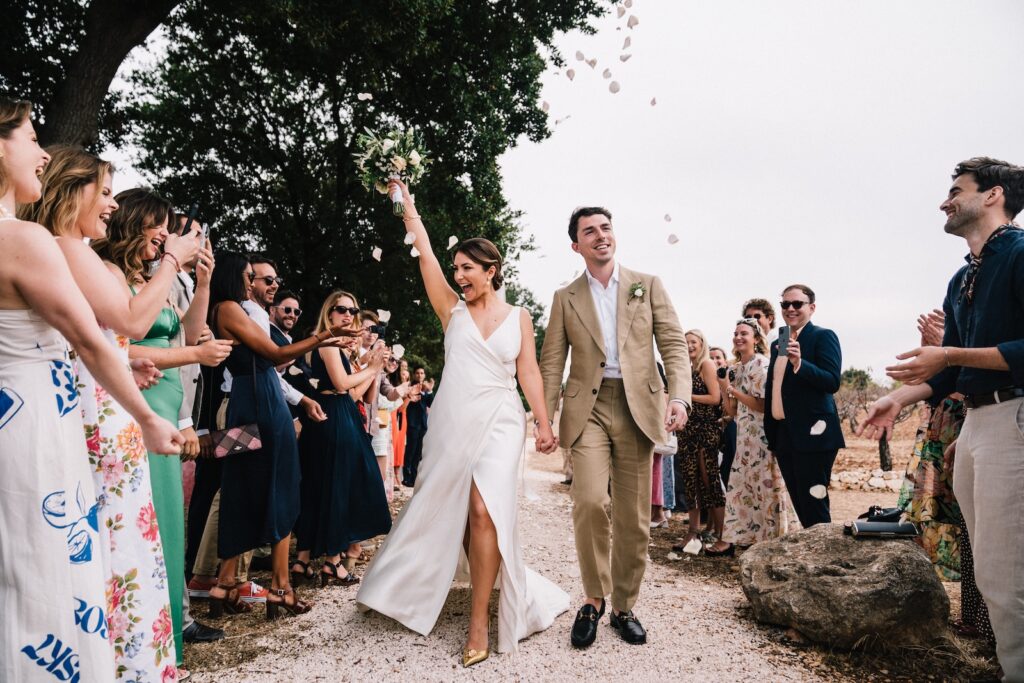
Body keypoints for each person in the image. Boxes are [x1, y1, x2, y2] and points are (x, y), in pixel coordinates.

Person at [0, 96, 182, 683]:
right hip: (39, 430)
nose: (42, 152)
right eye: (30, 137)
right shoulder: (27, 241)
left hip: (17, 416)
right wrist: (146, 416)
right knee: (54, 576)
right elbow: (96, 338)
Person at [358, 179, 568, 667]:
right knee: (447, 508)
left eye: (468, 269)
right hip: (453, 419)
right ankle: (424, 585)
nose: (460, 276)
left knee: (483, 509)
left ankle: (479, 621)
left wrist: (542, 422)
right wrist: (407, 204)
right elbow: (425, 252)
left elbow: (528, 372)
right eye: (457, 269)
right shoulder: (449, 309)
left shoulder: (520, 316)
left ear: (492, 271)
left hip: (499, 418)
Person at [860, 157, 1024, 679]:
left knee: (1007, 567)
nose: (944, 201)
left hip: (1015, 415)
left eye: (956, 190)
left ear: (993, 195)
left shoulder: (1021, 256)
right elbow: (949, 378)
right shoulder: (960, 278)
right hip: (977, 424)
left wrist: (950, 355)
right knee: (992, 568)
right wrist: (900, 399)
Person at [539, 206, 691, 648]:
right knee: (587, 501)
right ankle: (593, 599)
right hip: (587, 409)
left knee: (633, 517)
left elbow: (674, 345)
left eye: (606, 228)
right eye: (590, 231)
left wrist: (678, 396)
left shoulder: (648, 285)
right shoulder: (565, 297)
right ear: (576, 245)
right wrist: (545, 419)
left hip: (638, 406)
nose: (601, 235)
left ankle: (624, 605)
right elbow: (552, 363)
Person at [204, 252, 355, 619]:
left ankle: (225, 583)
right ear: (233, 277)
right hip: (261, 404)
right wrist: (324, 336)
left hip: (251, 399)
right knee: (281, 486)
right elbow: (275, 355)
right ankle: (280, 589)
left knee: (242, 486)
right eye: (248, 275)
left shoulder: (236, 310)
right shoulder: (228, 309)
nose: (253, 281)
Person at [292, 291, 391, 587]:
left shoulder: (344, 349)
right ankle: (333, 562)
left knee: (327, 487)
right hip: (333, 417)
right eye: (341, 309)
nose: (348, 314)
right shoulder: (325, 342)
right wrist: (371, 368)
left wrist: (374, 366)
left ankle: (305, 560)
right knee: (337, 487)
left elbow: (368, 395)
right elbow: (342, 385)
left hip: (342, 414)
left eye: (353, 310)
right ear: (329, 313)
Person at [763, 285, 845, 527]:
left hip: (814, 434)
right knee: (800, 501)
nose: (790, 309)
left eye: (797, 304)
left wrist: (800, 363)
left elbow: (832, 381)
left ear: (812, 307)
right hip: (784, 433)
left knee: (814, 503)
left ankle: (824, 559)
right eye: (785, 304)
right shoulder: (779, 341)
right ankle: (812, 558)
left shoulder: (823, 336)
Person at [709, 319, 792, 556]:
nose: (738, 337)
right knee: (744, 490)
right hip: (744, 438)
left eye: (744, 333)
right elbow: (733, 410)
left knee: (766, 488)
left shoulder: (761, 364)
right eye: (735, 333)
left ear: (756, 338)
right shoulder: (737, 368)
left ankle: (772, 540)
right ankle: (748, 538)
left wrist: (735, 391)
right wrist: (725, 386)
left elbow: (763, 405)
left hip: (762, 437)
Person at [673, 329, 724, 551]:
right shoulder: (686, 368)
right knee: (690, 482)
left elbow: (715, 398)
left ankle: (723, 536)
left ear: (702, 343)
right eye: (686, 343)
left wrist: (685, 397)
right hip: (687, 431)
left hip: (705, 431)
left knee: (709, 481)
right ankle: (692, 534)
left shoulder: (707, 365)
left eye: (693, 342)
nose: (690, 346)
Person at [400, 364, 434, 486]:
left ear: (424, 375)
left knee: (419, 452)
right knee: (410, 451)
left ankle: (414, 478)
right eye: (417, 373)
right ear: (414, 374)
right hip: (412, 423)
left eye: (422, 373)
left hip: (423, 425)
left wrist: (429, 391)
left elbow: (431, 404)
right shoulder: (410, 387)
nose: (419, 375)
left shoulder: (426, 389)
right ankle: (406, 477)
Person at [710, 345, 737, 487]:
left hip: (731, 425)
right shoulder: (704, 382)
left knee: (728, 467)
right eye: (711, 358)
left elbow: (735, 407)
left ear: (725, 361)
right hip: (714, 430)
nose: (714, 361)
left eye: (718, 358)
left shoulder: (731, 377)